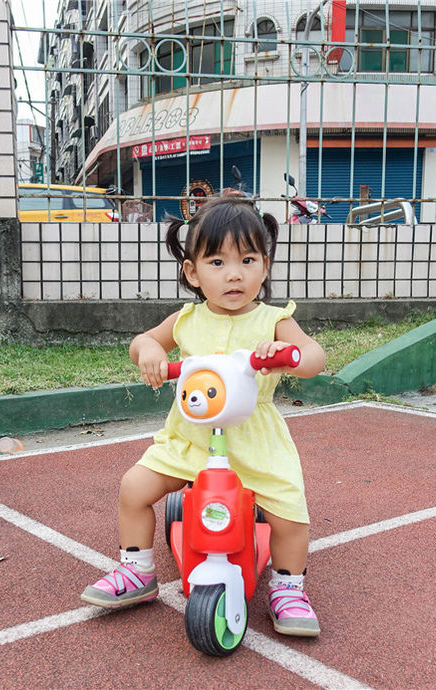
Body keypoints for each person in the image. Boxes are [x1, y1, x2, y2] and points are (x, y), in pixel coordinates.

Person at [80, 195, 327, 636]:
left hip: (254, 440)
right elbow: (142, 341)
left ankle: (289, 586)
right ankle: (137, 570)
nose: (234, 273)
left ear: (264, 267)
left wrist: (287, 356)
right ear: (192, 272)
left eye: (248, 259)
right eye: (217, 261)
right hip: (190, 436)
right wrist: (152, 352)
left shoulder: (273, 320)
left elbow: (314, 356)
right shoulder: (186, 319)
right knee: (134, 487)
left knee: (289, 516)